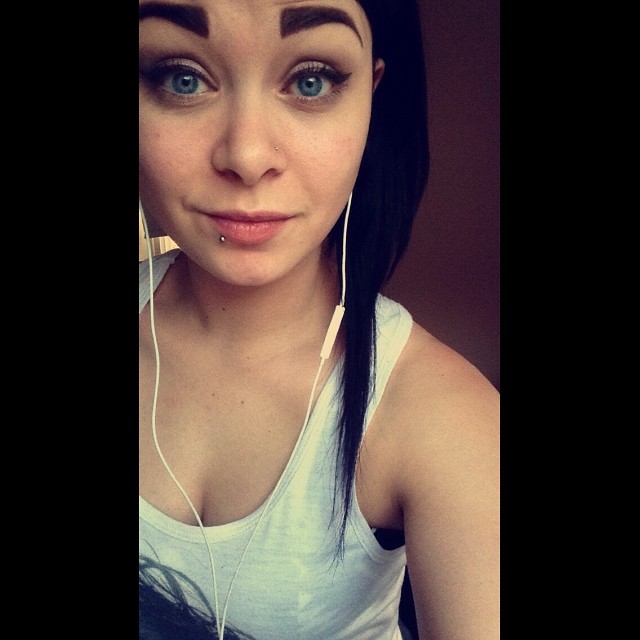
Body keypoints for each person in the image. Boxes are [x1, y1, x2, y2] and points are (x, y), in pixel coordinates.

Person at [138, 1, 500, 639]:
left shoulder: (447, 419)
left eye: (311, 80)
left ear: (370, 100)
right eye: (182, 77)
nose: (247, 156)